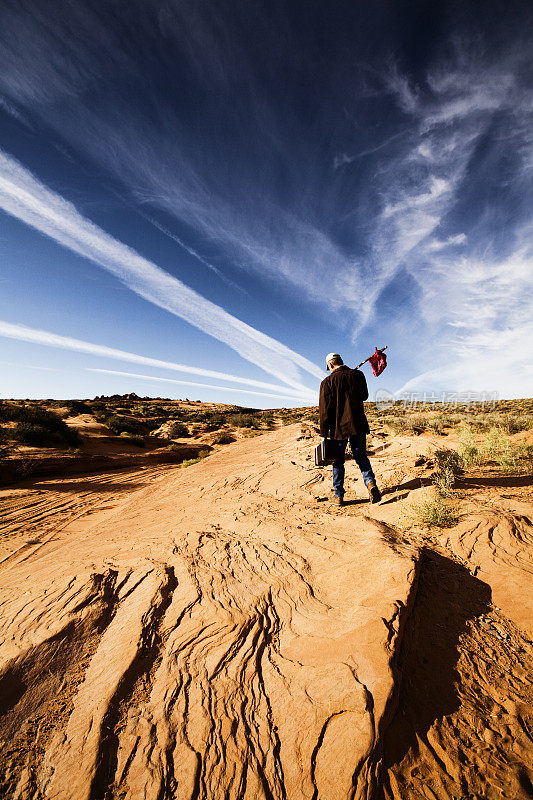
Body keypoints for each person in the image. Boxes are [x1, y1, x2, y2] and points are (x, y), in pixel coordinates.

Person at [319, 352, 382, 507]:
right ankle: (371, 484)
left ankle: (338, 495)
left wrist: (323, 433)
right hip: (357, 424)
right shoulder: (358, 375)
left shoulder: (327, 382)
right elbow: (365, 396)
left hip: (338, 428)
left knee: (338, 460)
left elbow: (324, 410)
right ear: (341, 361)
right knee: (361, 457)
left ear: (330, 365)